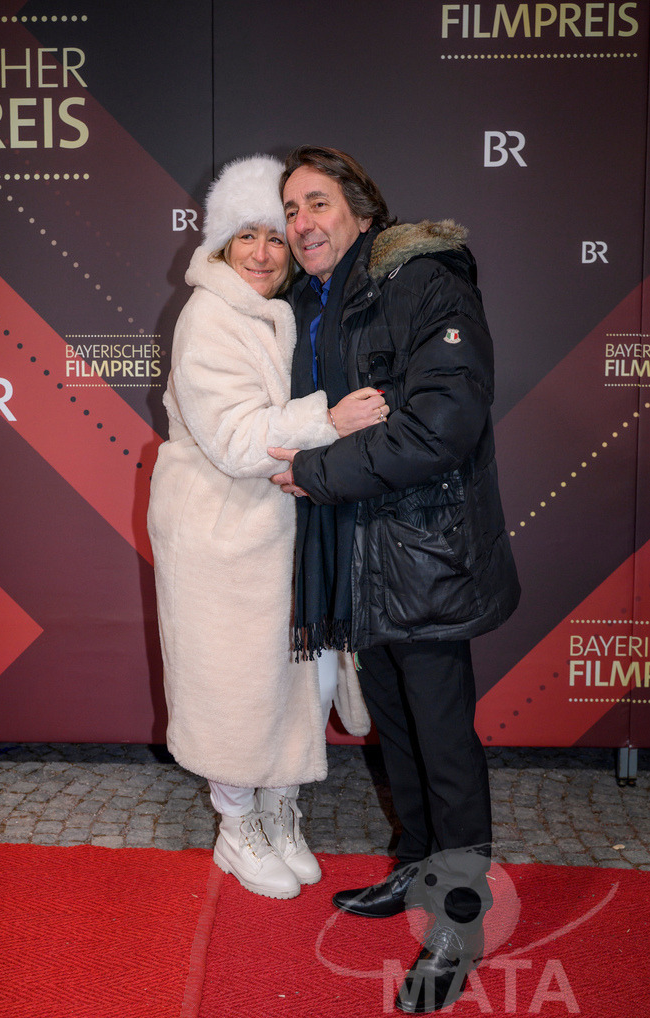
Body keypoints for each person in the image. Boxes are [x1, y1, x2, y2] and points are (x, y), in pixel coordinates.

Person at [268, 146, 520, 1010]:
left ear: (362, 211)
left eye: (316, 202)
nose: (300, 222)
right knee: (400, 730)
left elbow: (440, 423)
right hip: (361, 550)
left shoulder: (421, 279)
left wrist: (315, 472)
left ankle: (457, 913)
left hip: (423, 548)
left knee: (443, 739)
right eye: (289, 208)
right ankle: (417, 869)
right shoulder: (315, 301)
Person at [147, 154, 382, 901]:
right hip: (221, 531)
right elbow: (235, 441)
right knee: (232, 686)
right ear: (218, 245)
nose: (260, 252)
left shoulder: (287, 311)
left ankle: (282, 810)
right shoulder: (209, 315)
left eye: (274, 238)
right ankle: (235, 826)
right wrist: (328, 419)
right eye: (244, 236)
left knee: (300, 678)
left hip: (287, 524)